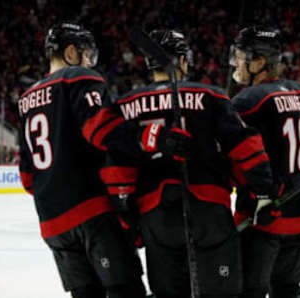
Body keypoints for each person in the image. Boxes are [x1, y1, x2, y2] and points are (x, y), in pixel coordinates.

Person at [18, 22, 189, 298]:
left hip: (51, 222)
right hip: (91, 212)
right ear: (71, 51)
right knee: (125, 289)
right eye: (87, 54)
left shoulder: (25, 99)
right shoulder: (78, 78)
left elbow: (27, 178)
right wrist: (155, 136)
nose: (89, 62)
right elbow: (102, 131)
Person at [104, 29, 273, 298]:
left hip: (155, 216)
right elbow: (244, 146)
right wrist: (262, 192)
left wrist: (127, 215)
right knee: (222, 292)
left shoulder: (125, 105)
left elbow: (117, 168)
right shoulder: (211, 96)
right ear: (182, 61)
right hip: (209, 211)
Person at [229, 26, 300, 298]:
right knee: (288, 290)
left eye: (240, 56)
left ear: (259, 62)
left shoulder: (248, 101)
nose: (235, 63)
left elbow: (235, 159)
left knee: (249, 291)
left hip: (264, 220)